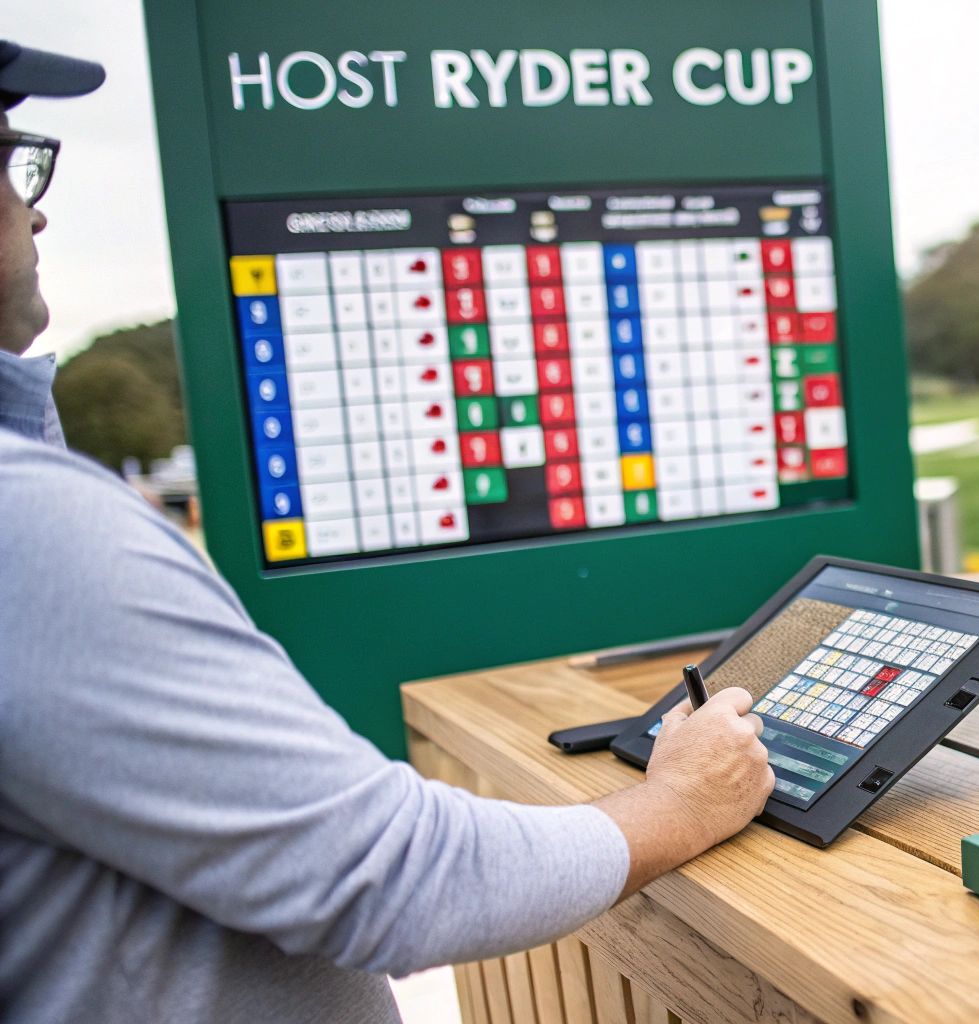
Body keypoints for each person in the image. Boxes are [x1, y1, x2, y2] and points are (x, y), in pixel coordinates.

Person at [0, 41, 775, 1022]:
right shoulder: (32, 527)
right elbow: (389, 876)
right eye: (10, 154)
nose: (36, 205)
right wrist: (679, 804)